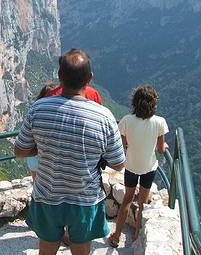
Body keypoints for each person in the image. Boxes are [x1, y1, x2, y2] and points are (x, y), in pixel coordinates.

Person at [15, 49, 126, 255]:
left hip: (46, 195)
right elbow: (119, 163)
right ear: (90, 79)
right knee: (82, 251)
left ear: (60, 76)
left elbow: (20, 151)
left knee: (46, 249)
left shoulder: (38, 109)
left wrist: (43, 147)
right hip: (85, 199)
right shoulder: (104, 117)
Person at [108, 85, 169, 248]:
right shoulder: (160, 122)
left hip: (131, 166)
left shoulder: (127, 121)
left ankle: (116, 236)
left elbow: (123, 144)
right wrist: (166, 146)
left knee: (127, 200)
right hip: (149, 168)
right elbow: (161, 149)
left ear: (134, 103)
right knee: (142, 202)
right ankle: (136, 236)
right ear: (153, 104)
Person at [26, 83, 57, 180]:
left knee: (36, 182)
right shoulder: (58, 114)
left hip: (33, 154)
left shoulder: (35, 110)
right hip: (49, 157)